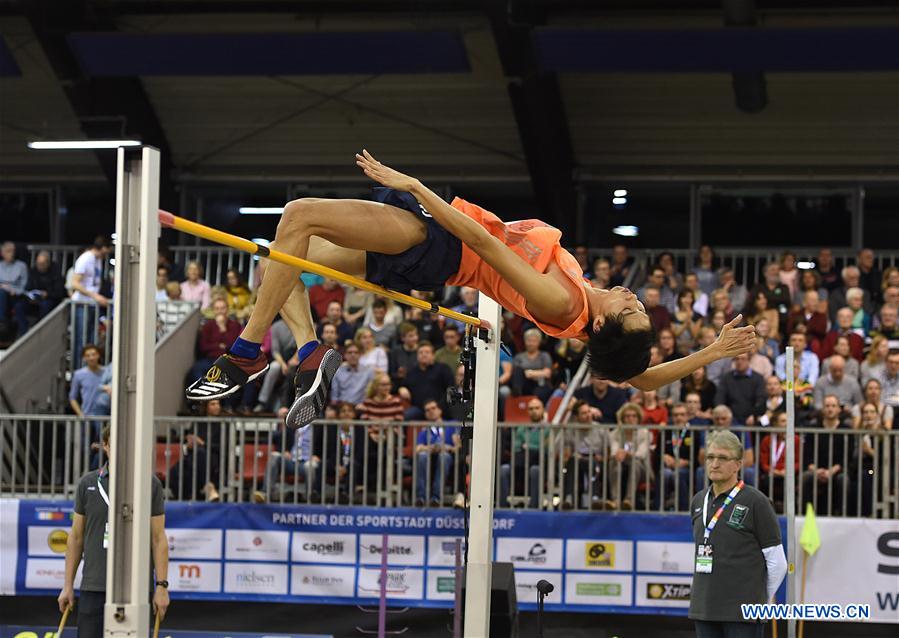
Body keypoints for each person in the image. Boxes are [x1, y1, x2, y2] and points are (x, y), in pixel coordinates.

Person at [184, 151, 755, 429]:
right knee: (281, 260)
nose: (636, 299)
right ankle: (309, 352)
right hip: (435, 251)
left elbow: (486, 248)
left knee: (299, 214)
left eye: (631, 311)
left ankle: (249, 349)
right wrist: (713, 351)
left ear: (606, 325)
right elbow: (638, 375)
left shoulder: (564, 304)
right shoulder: (586, 308)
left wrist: (416, 187)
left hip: (437, 241)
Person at [58, 426, 168, 638]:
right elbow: (76, 538)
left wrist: (162, 586)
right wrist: (67, 585)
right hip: (94, 586)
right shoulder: (88, 483)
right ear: (106, 447)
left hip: (135, 589)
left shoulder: (150, 484)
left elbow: (158, 539)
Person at [689, 430, 787, 638]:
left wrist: (759, 600)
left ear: (738, 464)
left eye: (723, 458)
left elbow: (777, 562)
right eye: (711, 457)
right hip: (704, 608)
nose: (714, 464)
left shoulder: (756, 501)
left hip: (743, 613)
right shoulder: (698, 501)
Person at [802, 395, 851, 517]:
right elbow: (807, 455)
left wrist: (831, 471)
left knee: (843, 479)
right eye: (827, 406)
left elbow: (847, 457)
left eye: (833, 406)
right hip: (816, 469)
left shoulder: (846, 429)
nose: (830, 409)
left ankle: (842, 516)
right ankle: (805, 515)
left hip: (838, 470)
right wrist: (817, 470)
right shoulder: (813, 429)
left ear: (839, 409)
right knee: (806, 477)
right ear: (822, 409)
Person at [70, 237, 112, 364]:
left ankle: (89, 369)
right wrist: (94, 296)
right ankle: (79, 368)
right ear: (103, 247)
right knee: (81, 340)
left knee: (91, 340)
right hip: (82, 304)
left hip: (92, 304)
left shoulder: (97, 260)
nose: (108, 253)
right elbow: (75, 283)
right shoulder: (86, 258)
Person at [414, 400, 460, 506]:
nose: (431, 411)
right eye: (427, 410)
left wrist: (448, 447)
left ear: (440, 410)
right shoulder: (425, 430)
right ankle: (420, 497)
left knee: (444, 456)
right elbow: (418, 448)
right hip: (430, 458)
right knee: (422, 456)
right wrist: (430, 447)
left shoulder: (452, 425)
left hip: (447, 457)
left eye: (433, 408)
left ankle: (436, 497)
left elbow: (458, 446)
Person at [608, 402, 653, 511]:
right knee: (615, 462)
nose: (631, 419)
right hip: (621, 465)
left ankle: (629, 500)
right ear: (622, 419)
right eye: (627, 416)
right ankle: (615, 501)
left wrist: (626, 454)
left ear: (638, 418)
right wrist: (618, 454)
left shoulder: (645, 433)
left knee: (635, 462)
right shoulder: (615, 434)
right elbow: (614, 452)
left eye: (634, 416)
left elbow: (641, 455)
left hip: (642, 469)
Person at [11, 249, 66, 337]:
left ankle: (37, 330)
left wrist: (47, 294)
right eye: (38, 263)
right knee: (19, 306)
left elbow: (59, 293)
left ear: (48, 263)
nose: (39, 266)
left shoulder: (56, 272)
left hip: (50, 300)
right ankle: (23, 331)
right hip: (34, 300)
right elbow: (28, 288)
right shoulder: (33, 271)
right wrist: (30, 297)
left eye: (42, 264)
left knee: (45, 305)